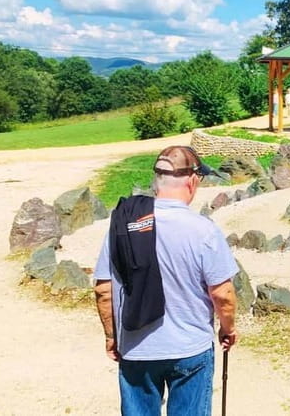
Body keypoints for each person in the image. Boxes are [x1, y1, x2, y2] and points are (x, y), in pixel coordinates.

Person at [94, 145, 239, 416]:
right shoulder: (203, 230)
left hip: (136, 348)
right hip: (189, 347)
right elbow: (222, 293)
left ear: (156, 180)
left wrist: (111, 336)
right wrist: (227, 328)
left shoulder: (122, 224)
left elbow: (103, 289)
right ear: (192, 180)